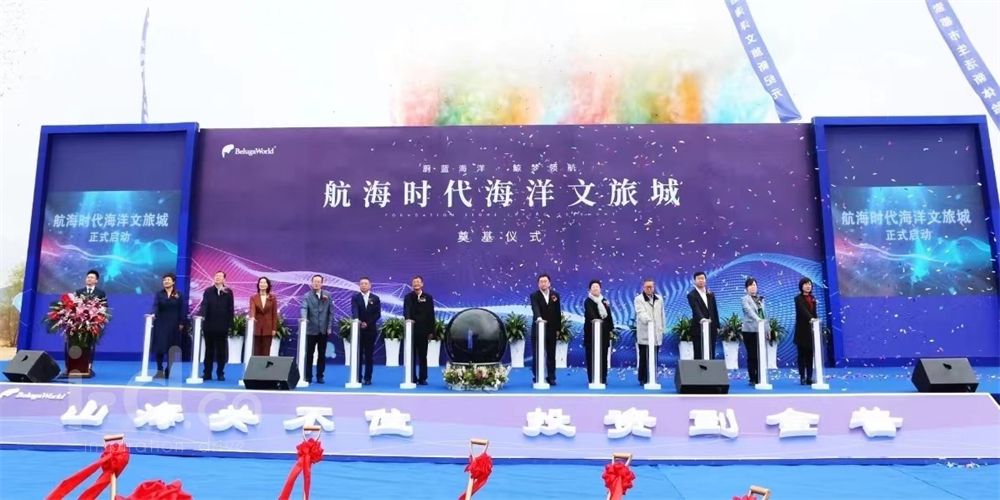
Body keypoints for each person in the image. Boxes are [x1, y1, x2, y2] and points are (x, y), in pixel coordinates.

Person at [151, 272, 187, 379]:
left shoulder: (179, 294)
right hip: (160, 323)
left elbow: (182, 309)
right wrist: (153, 314)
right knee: (159, 347)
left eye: (168, 280)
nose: (166, 281)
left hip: (174, 324)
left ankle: (168, 369)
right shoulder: (159, 294)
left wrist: (181, 322)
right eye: (164, 280)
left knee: (171, 348)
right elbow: (156, 306)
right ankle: (159, 370)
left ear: (173, 282)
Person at [199, 271, 234, 381]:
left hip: (222, 326)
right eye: (216, 276)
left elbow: (231, 308)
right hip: (209, 325)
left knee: (221, 351)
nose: (217, 278)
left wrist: (230, 324)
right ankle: (207, 373)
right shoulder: (208, 291)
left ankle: (220, 373)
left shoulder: (228, 292)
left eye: (220, 276)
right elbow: (204, 304)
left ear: (224, 279)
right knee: (209, 350)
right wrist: (201, 315)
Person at [300, 274, 333, 384]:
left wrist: (329, 327)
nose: (316, 283)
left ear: (322, 283)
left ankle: (320, 376)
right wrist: (304, 319)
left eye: (319, 282)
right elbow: (304, 308)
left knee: (322, 354)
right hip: (310, 330)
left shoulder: (328, 295)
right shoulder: (307, 296)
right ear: (311, 283)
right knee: (309, 354)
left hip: (323, 330)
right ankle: (308, 376)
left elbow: (331, 313)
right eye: (315, 281)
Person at [529, 273, 561, 386]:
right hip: (538, 329)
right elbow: (535, 308)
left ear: (549, 283)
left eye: (545, 281)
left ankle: (551, 377)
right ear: (538, 284)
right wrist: (539, 318)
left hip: (551, 330)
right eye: (541, 282)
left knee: (551, 354)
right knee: (537, 354)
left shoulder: (555, 295)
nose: (543, 283)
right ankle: (537, 375)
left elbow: (557, 312)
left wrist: (558, 328)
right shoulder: (534, 295)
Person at [403, 275, 435, 386]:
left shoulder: (428, 297)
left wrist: (431, 331)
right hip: (411, 331)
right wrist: (408, 319)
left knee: (423, 356)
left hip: (423, 331)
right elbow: (406, 310)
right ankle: (412, 377)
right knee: (411, 356)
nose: (416, 284)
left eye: (418, 282)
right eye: (414, 282)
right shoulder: (408, 297)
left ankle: (423, 378)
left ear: (422, 284)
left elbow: (431, 314)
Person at [634, 278, 665, 385]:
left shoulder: (659, 299)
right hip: (645, 332)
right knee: (644, 356)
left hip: (656, 333)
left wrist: (662, 328)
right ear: (643, 287)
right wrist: (649, 320)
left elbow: (662, 314)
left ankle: (653, 377)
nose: (649, 289)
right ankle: (643, 378)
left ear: (654, 287)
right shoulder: (639, 299)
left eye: (651, 287)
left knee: (654, 356)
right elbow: (640, 312)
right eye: (647, 287)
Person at [351, 277, 381, 385]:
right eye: (361, 284)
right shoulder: (355, 297)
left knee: (369, 355)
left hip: (370, 330)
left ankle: (368, 378)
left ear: (370, 285)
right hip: (358, 330)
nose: (363, 285)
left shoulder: (375, 298)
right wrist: (357, 321)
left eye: (365, 283)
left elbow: (377, 314)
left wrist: (367, 323)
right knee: (358, 355)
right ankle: (358, 377)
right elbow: (354, 310)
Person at [582, 279, 613, 385]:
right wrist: (598, 322)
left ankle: (603, 378)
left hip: (604, 333)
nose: (595, 288)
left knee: (603, 356)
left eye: (597, 286)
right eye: (593, 287)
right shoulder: (588, 301)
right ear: (590, 290)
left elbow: (609, 317)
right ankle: (592, 378)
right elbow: (591, 315)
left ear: (600, 289)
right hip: (591, 333)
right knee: (591, 356)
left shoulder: (604, 301)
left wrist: (610, 329)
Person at [686, 271, 720, 360]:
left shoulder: (710, 294)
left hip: (711, 328)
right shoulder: (691, 295)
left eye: (702, 278)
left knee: (711, 352)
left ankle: (711, 369)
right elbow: (695, 308)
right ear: (694, 281)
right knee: (699, 352)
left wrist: (717, 325)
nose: (701, 280)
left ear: (705, 280)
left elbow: (715, 310)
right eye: (698, 279)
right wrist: (702, 319)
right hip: (698, 328)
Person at [741, 277, 768, 385]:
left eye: (755, 285)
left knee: (760, 354)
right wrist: (758, 319)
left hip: (760, 330)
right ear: (746, 288)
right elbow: (749, 311)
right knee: (752, 354)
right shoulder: (744, 299)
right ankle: (752, 377)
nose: (753, 287)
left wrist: (767, 329)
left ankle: (759, 376)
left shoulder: (761, 299)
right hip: (749, 330)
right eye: (751, 285)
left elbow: (764, 315)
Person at [794, 277, 818, 385]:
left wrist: (816, 321)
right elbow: (803, 311)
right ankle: (802, 377)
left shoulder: (813, 298)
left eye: (809, 284)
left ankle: (809, 377)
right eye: (806, 284)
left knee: (810, 355)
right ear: (801, 286)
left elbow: (814, 313)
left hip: (811, 331)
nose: (808, 286)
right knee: (801, 355)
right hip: (802, 331)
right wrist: (811, 319)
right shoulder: (798, 298)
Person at [249, 276, 278, 357]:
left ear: (268, 285)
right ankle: (256, 365)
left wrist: (274, 328)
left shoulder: (273, 298)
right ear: (258, 284)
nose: (262, 284)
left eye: (264, 282)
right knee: (256, 351)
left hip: (268, 328)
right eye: (261, 282)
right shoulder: (253, 297)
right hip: (257, 328)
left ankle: (265, 365)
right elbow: (252, 309)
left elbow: (274, 314)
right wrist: (252, 317)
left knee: (266, 351)